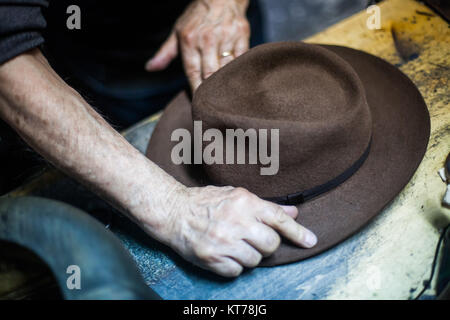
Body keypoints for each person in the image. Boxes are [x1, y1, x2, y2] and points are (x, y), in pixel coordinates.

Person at [0, 0, 317, 277]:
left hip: (227, 34)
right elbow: (7, 51)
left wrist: (224, 4)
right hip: (110, 59)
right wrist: (173, 208)